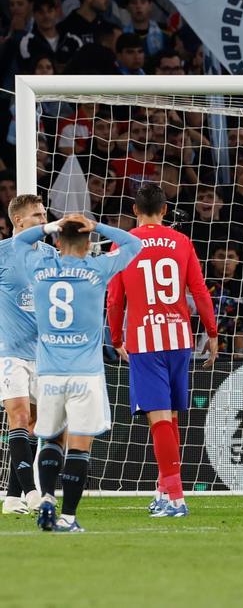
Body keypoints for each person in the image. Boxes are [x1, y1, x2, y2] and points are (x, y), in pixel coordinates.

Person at [14, 213, 142, 532]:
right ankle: (68, 517)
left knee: (51, 439)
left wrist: (47, 226)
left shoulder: (40, 269)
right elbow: (133, 243)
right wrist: (97, 226)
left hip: (49, 372)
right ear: (88, 245)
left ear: (57, 242)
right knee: (79, 445)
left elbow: (19, 241)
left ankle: (45, 499)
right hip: (85, 373)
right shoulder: (97, 269)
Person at [106, 183, 218, 518]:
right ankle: (162, 490)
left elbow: (115, 298)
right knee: (169, 418)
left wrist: (115, 339)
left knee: (158, 420)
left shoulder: (123, 243)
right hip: (179, 338)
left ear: (134, 210)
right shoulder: (181, 241)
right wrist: (212, 333)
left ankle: (177, 498)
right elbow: (199, 290)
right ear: (165, 210)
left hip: (145, 339)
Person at [0, 195, 56, 515]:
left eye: (44, 213)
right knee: (18, 417)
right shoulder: (2, 254)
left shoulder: (50, 255)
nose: (43, 219)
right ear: (19, 221)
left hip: (43, 353)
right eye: (37, 215)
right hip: (9, 352)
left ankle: (11, 497)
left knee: (34, 424)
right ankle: (33, 492)